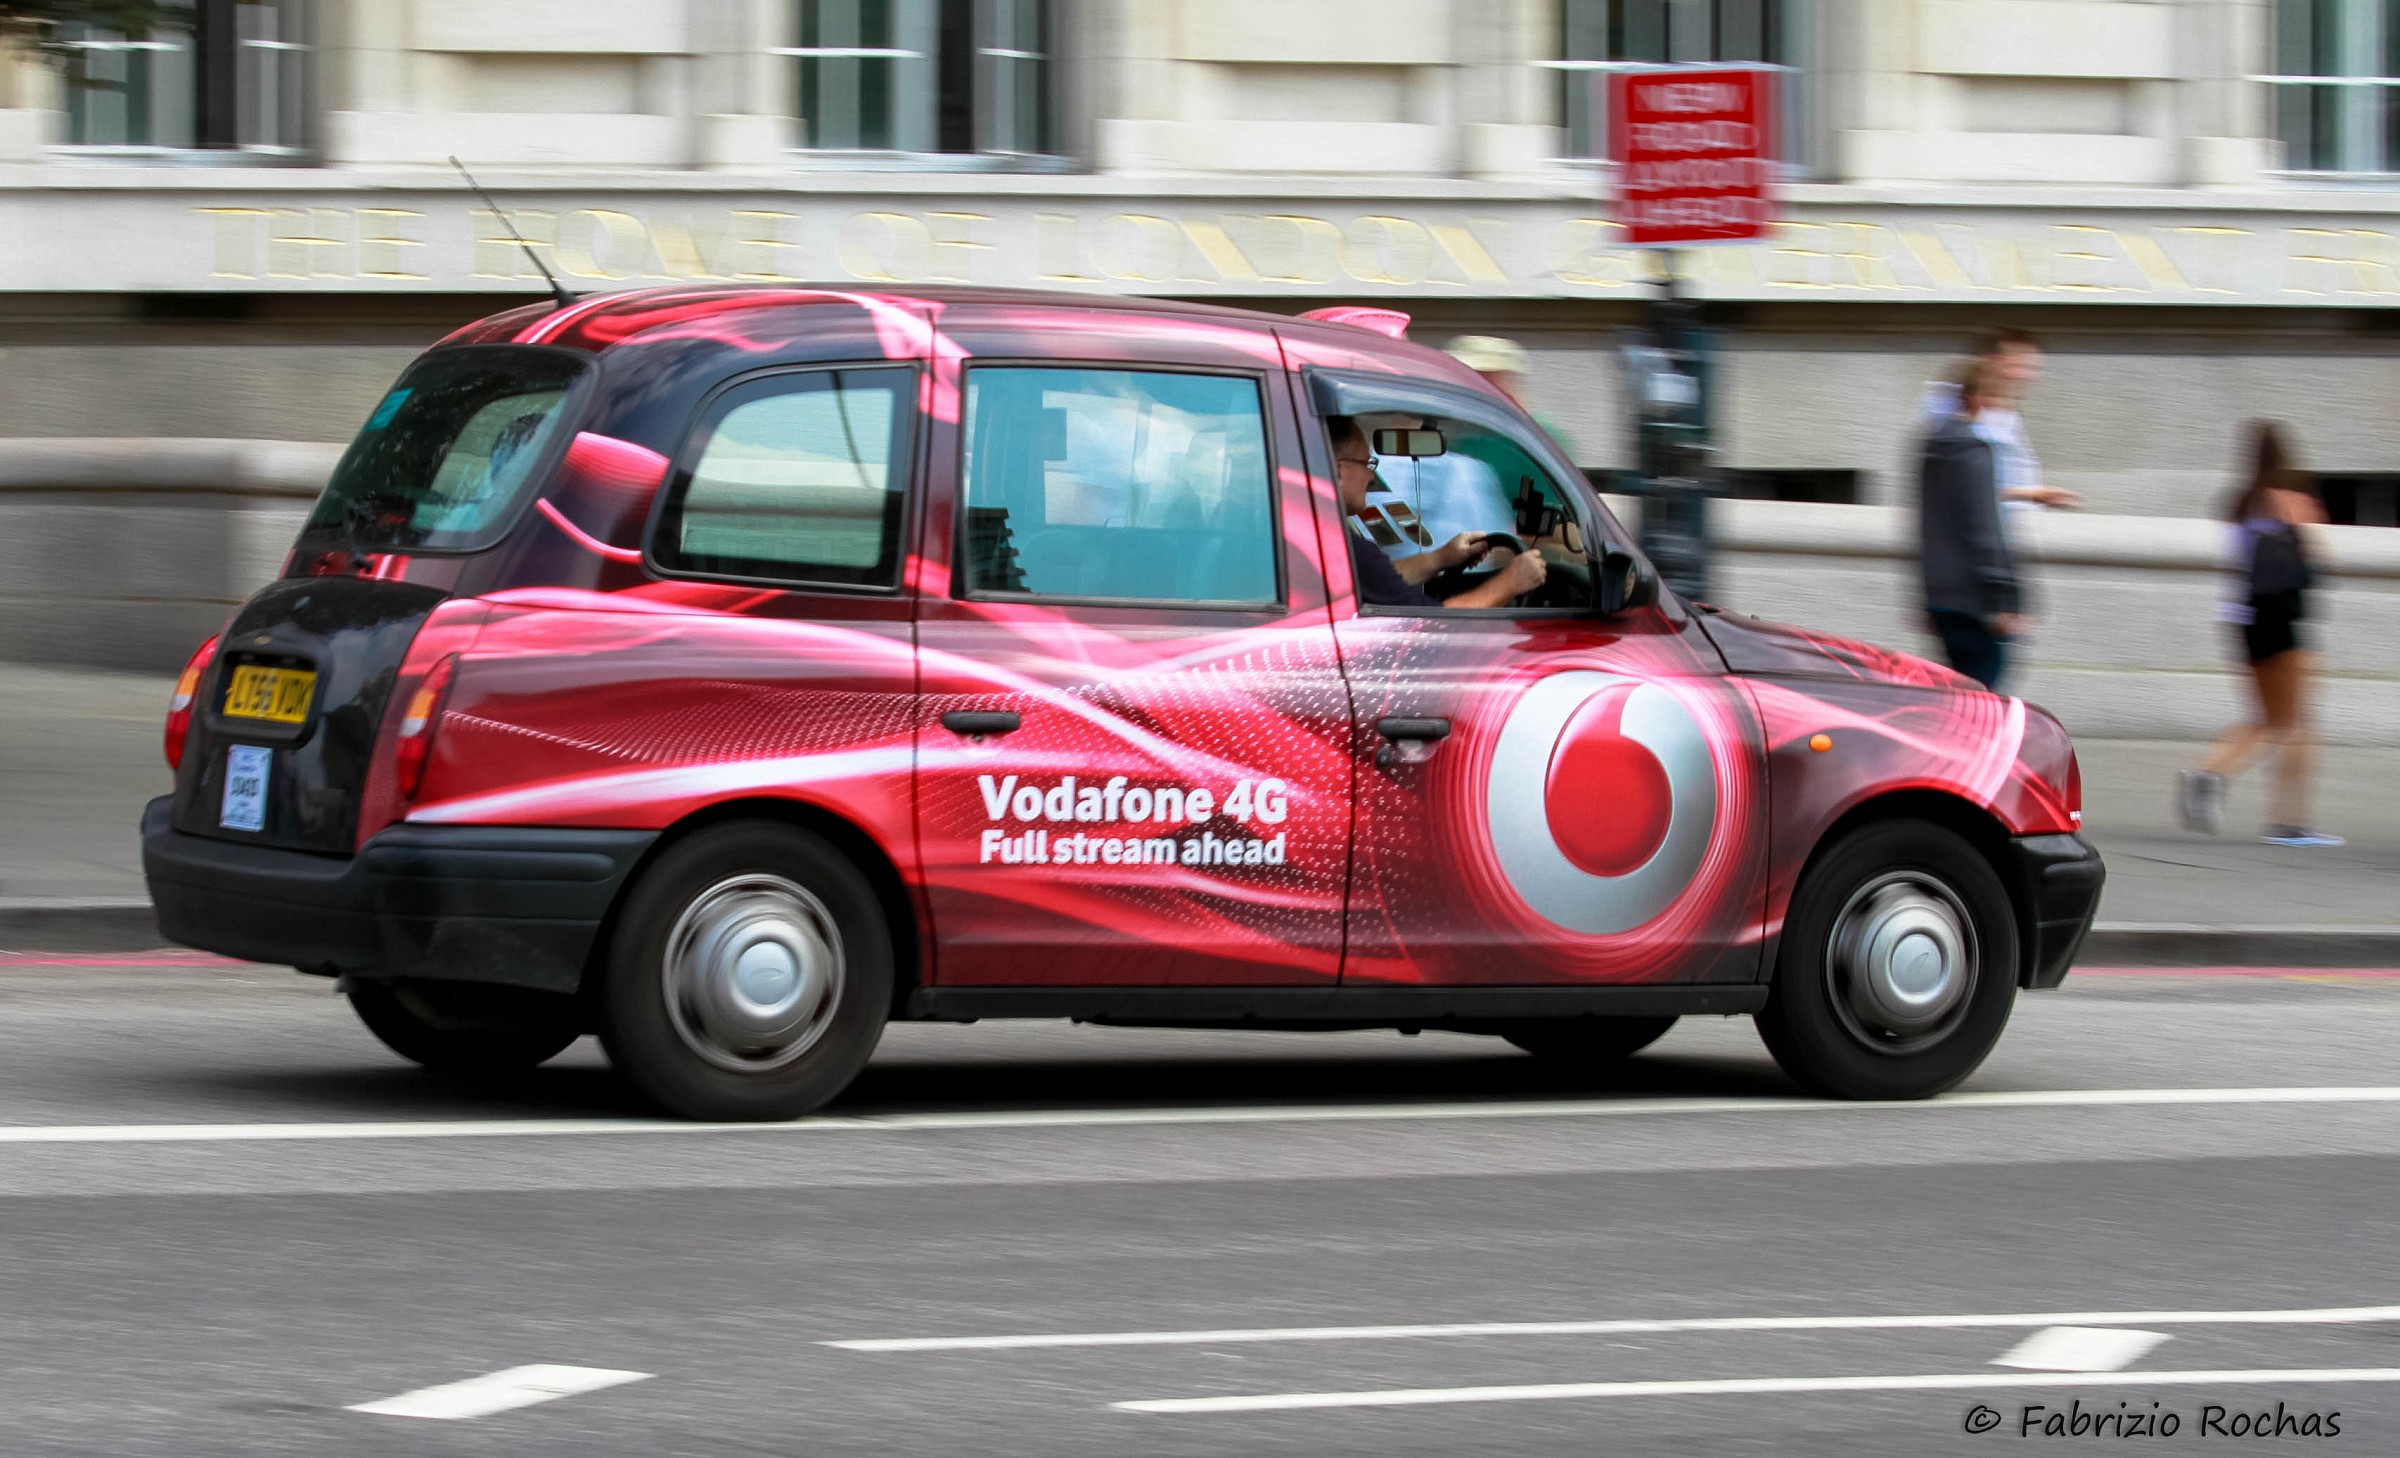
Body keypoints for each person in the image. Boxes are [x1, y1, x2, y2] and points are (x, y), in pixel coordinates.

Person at [2177, 423, 2342, 848]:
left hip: (2243, 620)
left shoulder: (2241, 503)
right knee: (2296, 722)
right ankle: (2286, 820)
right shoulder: (2293, 501)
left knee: (2267, 718)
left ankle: (2209, 773)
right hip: (2284, 622)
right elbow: (2317, 556)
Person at [1330, 415, 1545, 610]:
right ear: (1339, 471)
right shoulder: (1346, 548)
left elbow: (1377, 580)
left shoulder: (1329, 541)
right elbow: (1432, 625)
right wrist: (1511, 583)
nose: (1373, 477)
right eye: (1367, 464)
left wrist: (1440, 558)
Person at [1918, 361, 2025, 692]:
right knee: (1982, 699)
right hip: (1976, 600)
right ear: (1982, 399)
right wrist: (2005, 597)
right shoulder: (1976, 452)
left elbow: (1924, 527)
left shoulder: (1932, 448)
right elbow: (1985, 528)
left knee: (1959, 694)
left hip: (1939, 595)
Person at [1916, 326, 2081, 513]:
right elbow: (1959, 484)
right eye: (2018, 366)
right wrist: (2032, 495)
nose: (2026, 375)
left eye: (2032, 367)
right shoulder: (1947, 410)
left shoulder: (2007, 413)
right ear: (1989, 361)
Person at [1445, 335, 1577, 460]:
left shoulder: (1541, 436)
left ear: (1506, 379)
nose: (1477, 385)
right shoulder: (1454, 432)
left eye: (1487, 376)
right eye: (1467, 375)